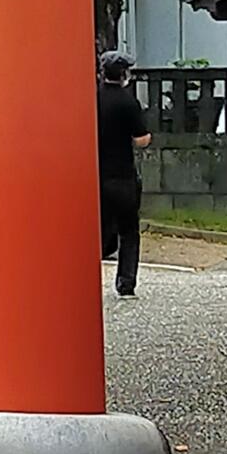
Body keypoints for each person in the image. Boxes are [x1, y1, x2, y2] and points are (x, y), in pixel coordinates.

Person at [96, 51, 152, 298]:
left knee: (95, 229)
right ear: (123, 74)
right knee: (128, 231)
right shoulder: (128, 102)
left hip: (94, 175)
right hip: (122, 175)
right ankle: (126, 283)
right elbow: (141, 140)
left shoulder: (92, 98)